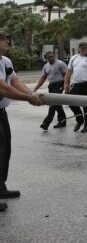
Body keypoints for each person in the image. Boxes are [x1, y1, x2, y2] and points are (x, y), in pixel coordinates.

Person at [0, 33, 44, 212]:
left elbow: (15, 80)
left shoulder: (5, 61)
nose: (7, 42)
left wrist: (30, 93)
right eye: (4, 40)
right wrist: (27, 98)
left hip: (1, 112)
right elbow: (2, 87)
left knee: (4, 151)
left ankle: (0, 187)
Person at [64, 42, 87, 133]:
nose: (84, 49)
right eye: (82, 48)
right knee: (71, 102)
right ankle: (80, 120)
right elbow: (68, 72)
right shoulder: (74, 58)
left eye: (85, 48)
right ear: (79, 48)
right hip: (76, 84)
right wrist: (66, 84)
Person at [33, 51, 68, 130]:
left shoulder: (60, 64)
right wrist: (36, 88)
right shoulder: (46, 66)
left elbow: (67, 74)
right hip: (51, 85)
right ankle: (62, 121)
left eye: (52, 56)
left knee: (52, 103)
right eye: (49, 57)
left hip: (59, 84)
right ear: (45, 58)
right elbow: (42, 78)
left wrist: (66, 85)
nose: (51, 58)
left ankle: (46, 123)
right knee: (57, 104)